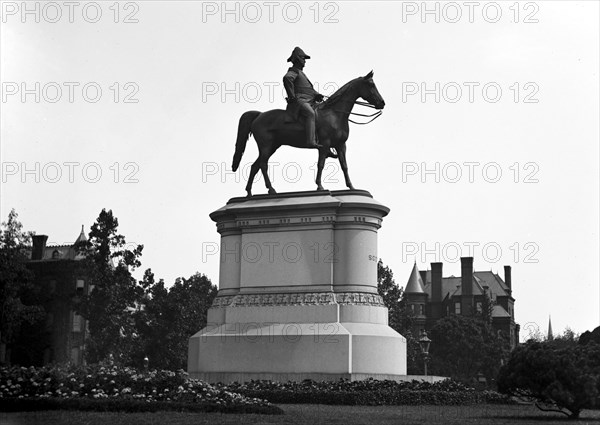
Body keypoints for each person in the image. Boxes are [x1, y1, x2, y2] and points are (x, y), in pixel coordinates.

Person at [283, 47, 324, 148]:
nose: (305, 61)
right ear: (297, 59)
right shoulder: (294, 71)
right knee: (310, 113)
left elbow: (307, 89)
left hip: (310, 100)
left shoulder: (301, 73)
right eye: (303, 58)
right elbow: (287, 78)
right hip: (300, 101)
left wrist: (316, 94)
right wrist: (292, 97)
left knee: (323, 113)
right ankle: (311, 141)